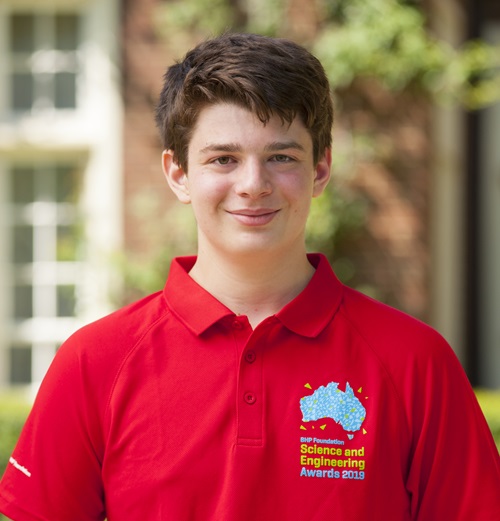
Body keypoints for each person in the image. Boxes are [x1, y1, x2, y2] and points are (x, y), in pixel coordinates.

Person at [0, 32, 499, 521]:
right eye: (224, 159)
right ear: (178, 174)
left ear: (321, 168)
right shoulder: (95, 364)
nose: (253, 185)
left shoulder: (414, 362)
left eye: (281, 157)